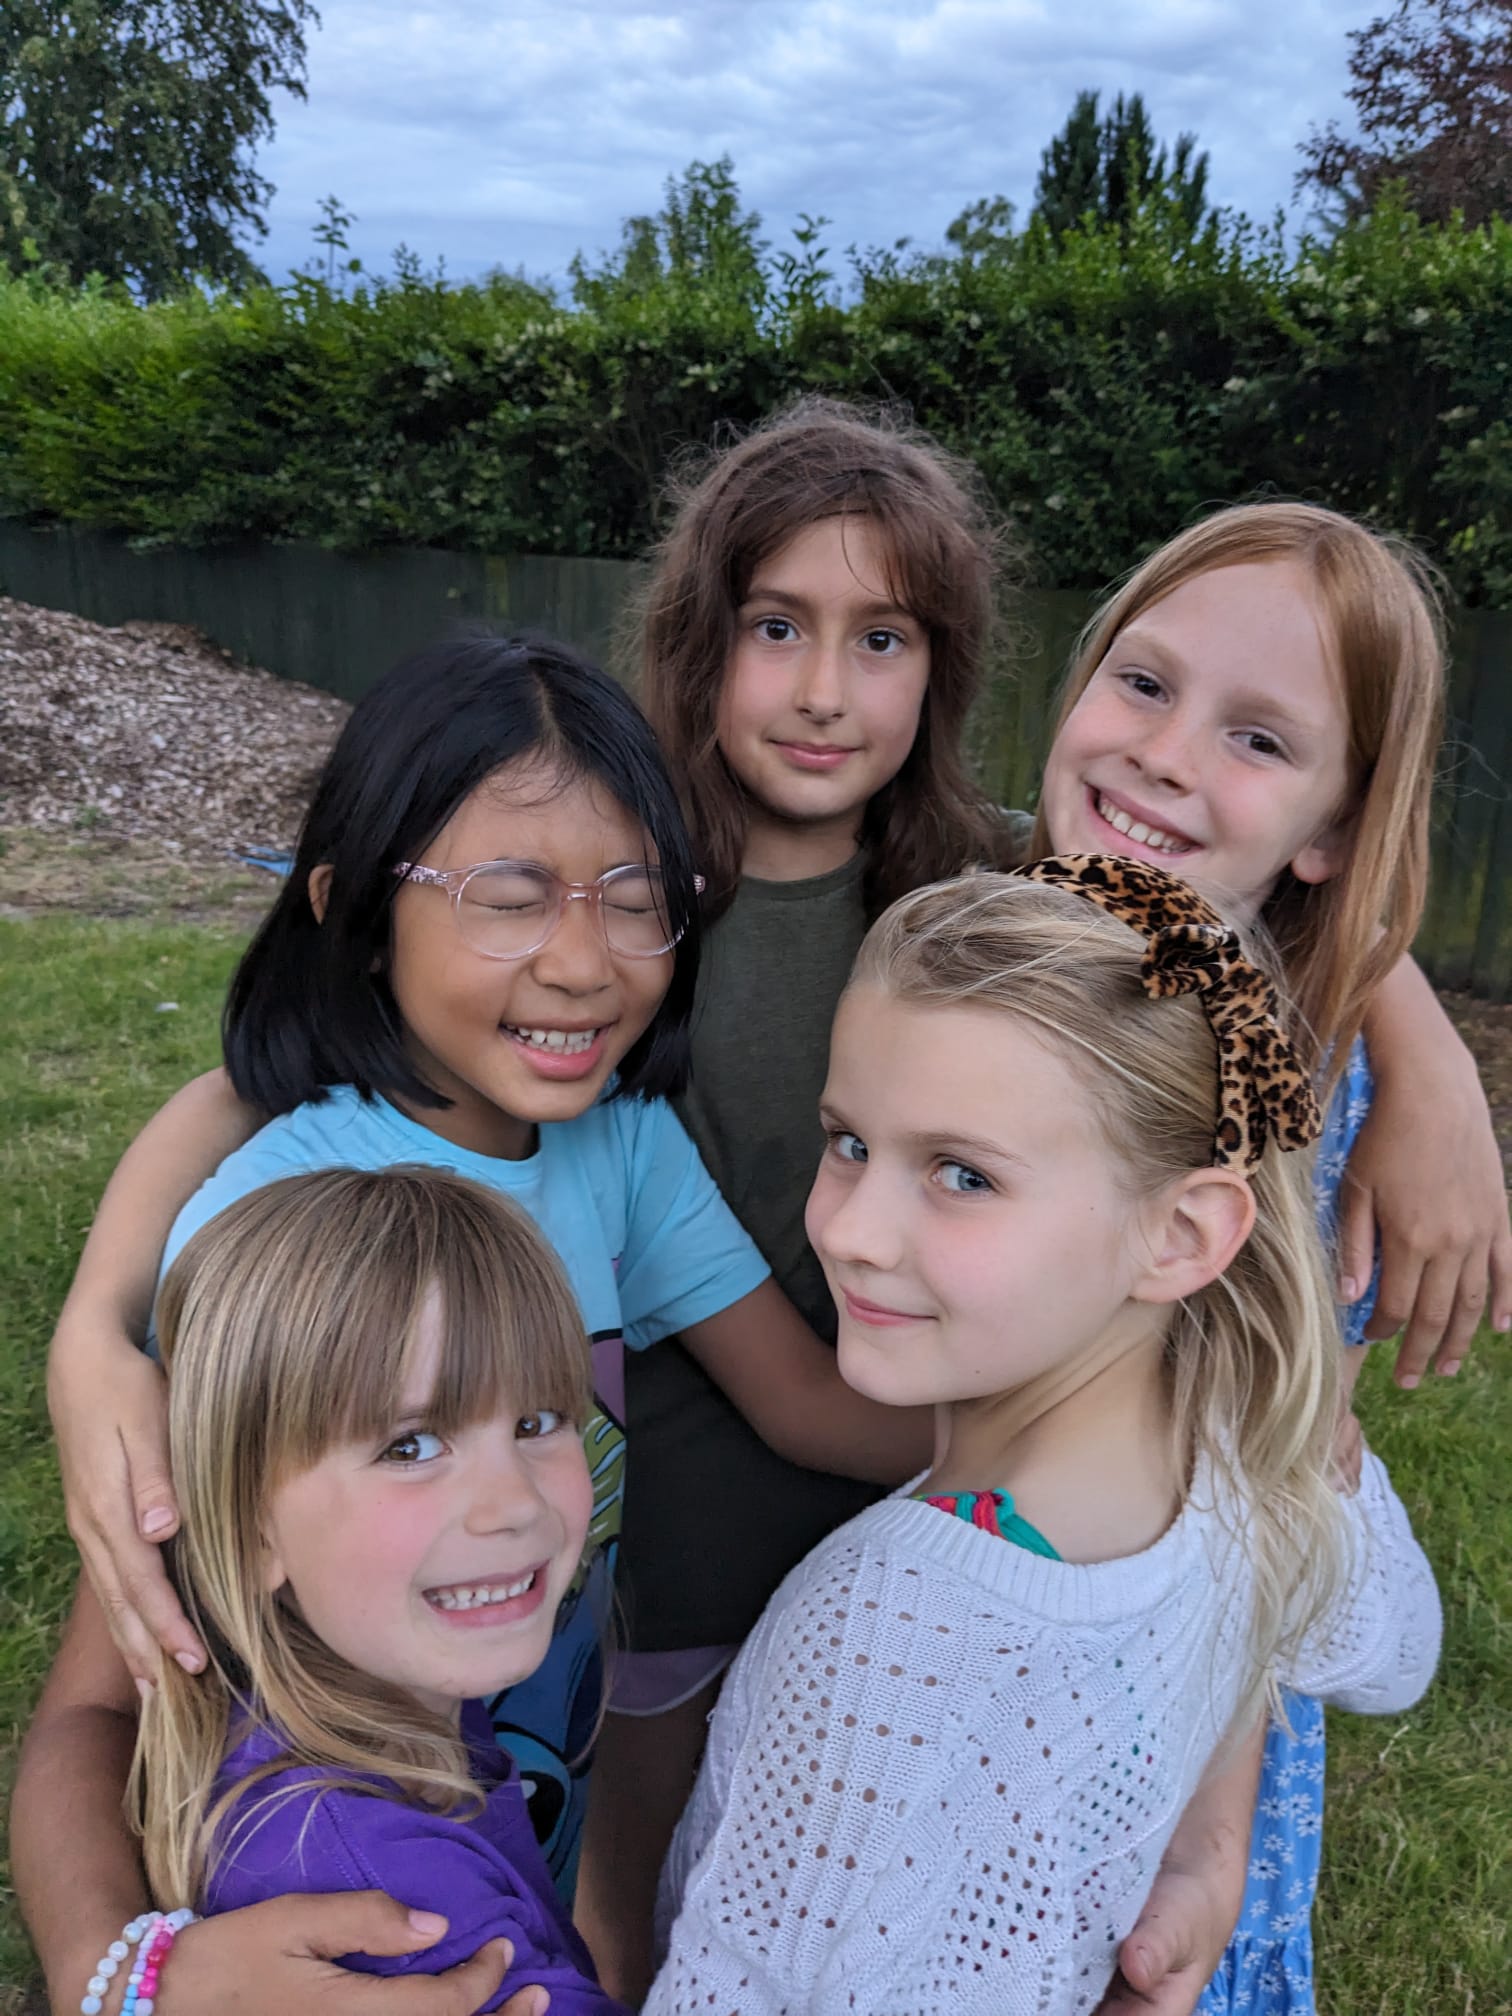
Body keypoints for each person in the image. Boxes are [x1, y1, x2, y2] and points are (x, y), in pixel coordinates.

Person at [12, 631, 930, 2016]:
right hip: (352, 1912)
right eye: (510, 893)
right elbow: (100, 1706)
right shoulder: (284, 1228)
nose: (585, 961)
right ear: (357, 913)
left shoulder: (618, 1149)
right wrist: (129, 1979)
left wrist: (1096, 1440)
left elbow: (801, 1401)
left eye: (635, 895)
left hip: (520, 1843)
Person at [648, 860, 1442, 2016]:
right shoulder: (1241, 1476)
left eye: (962, 1175)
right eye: (849, 1141)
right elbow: (1397, 1652)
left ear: (1181, 1234)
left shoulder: (883, 1634)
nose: (855, 1230)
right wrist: (1324, 1451)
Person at [1029, 500, 1492, 2013]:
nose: (1164, 755)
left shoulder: (1307, 1088)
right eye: (1144, 683)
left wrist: (1209, 1848)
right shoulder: (970, 950)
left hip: (1173, 1725)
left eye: (1260, 741)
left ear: (1334, 832)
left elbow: (1275, 1478)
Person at [131, 1165, 626, 2013]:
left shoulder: (385, 1700)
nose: (514, 1505)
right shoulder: (395, 1899)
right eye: (410, 1447)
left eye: (539, 1422)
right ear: (253, 1533)